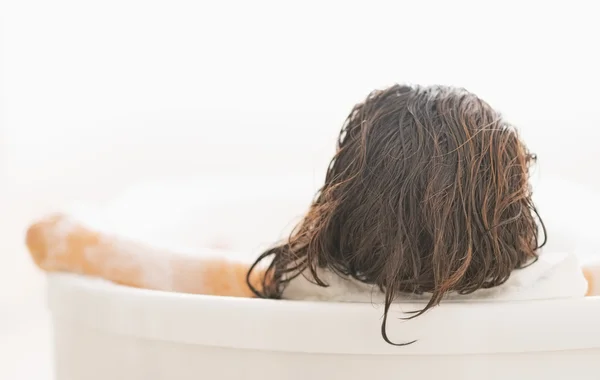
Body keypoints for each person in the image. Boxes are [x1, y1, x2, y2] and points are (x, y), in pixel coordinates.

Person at [25, 84, 592, 344]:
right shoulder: (558, 288)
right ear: (510, 210)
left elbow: (48, 238)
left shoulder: (296, 286)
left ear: (344, 200)